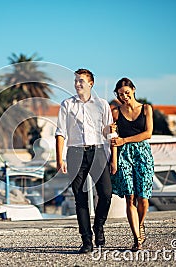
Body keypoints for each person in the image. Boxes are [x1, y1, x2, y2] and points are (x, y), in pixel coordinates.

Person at [55, 68, 115, 254]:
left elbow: (110, 133)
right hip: (75, 153)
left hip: (98, 152)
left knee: (106, 194)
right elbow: (60, 133)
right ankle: (86, 240)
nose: (77, 83)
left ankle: (99, 227)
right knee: (80, 198)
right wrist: (60, 159)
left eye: (81, 80)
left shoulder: (102, 104)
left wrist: (114, 157)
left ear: (91, 83)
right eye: (75, 81)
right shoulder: (67, 105)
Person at [110, 77, 154, 251]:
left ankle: (141, 224)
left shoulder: (146, 109)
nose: (124, 97)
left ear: (133, 90)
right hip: (124, 156)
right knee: (130, 197)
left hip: (143, 154)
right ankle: (137, 238)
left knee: (143, 198)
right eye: (121, 94)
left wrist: (124, 140)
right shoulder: (115, 112)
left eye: (127, 93)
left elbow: (148, 133)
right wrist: (114, 160)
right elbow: (113, 139)